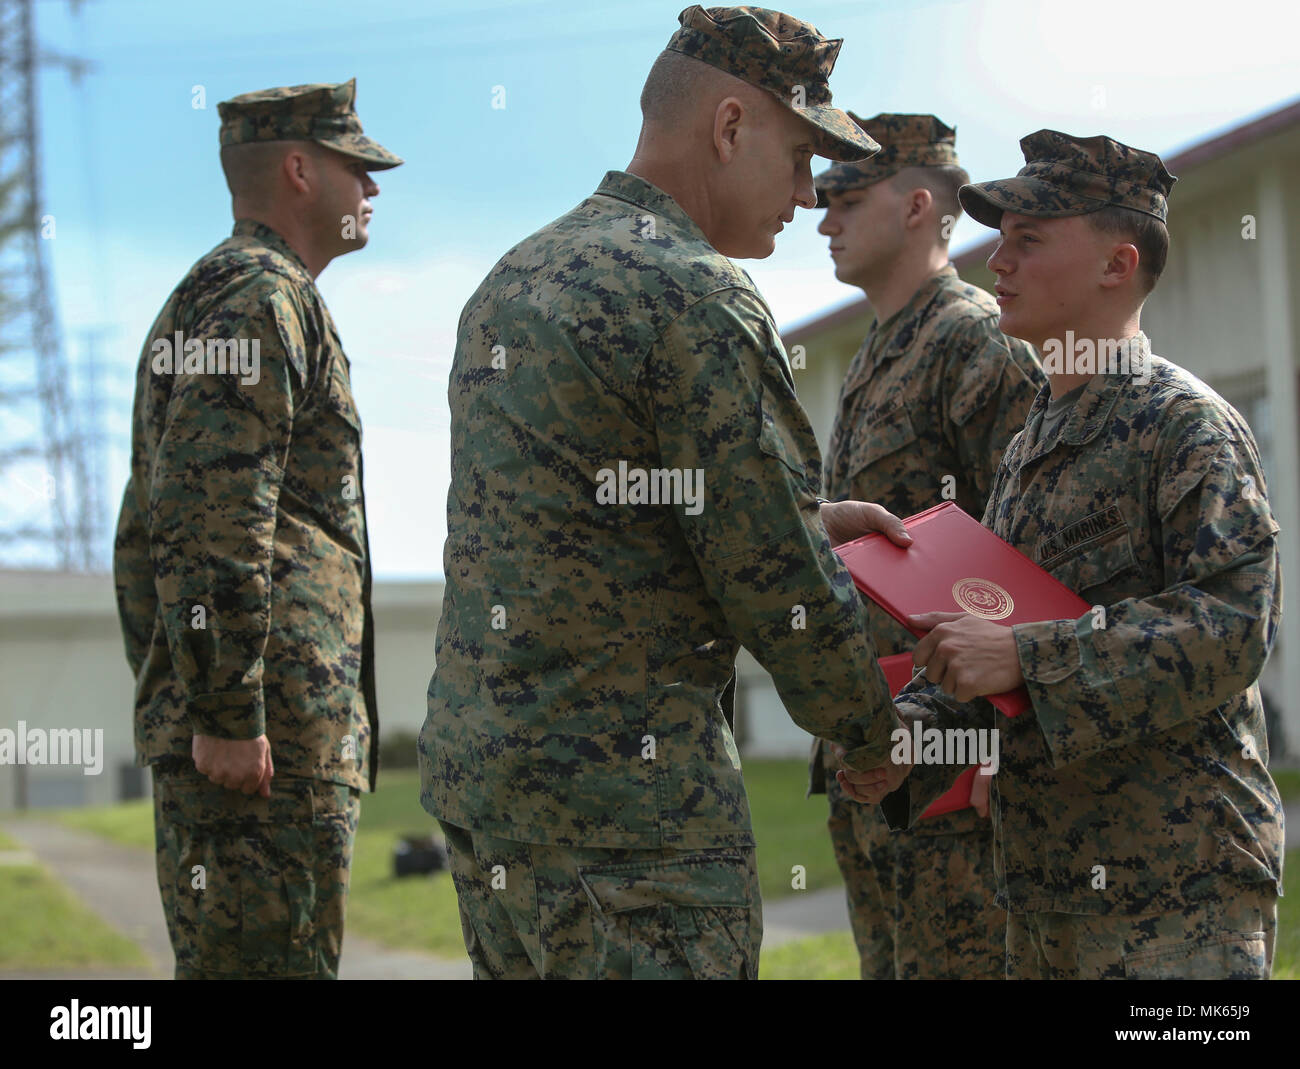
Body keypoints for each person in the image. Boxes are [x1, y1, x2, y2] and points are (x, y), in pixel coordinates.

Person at [420, 4, 908, 980]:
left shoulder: (511, 280)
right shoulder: (693, 291)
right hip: (632, 830)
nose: (811, 195)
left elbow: (588, 516)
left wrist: (801, 518)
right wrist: (868, 729)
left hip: (487, 799)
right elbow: (774, 582)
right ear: (729, 127)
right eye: (801, 156)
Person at [843, 130, 1285, 980]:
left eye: (1028, 238)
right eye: (998, 234)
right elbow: (994, 660)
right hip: (1043, 893)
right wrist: (916, 737)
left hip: (1174, 895)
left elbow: (1231, 628)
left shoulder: (1182, 424)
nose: (995, 258)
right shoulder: (1028, 449)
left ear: (1117, 264)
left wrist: (1024, 653)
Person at [113, 79, 401, 979]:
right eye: (359, 168)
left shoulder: (236, 296)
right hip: (264, 753)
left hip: (264, 740)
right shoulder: (256, 298)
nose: (374, 190)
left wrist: (189, 690)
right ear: (299, 170)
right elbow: (210, 515)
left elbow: (143, 540)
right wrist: (227, 708)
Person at [810, 112, 1044, 980]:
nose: (822, 216)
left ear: (916, 206)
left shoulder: (974, 338)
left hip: (955, 746)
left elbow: (1028, 550)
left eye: (844, 195)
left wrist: (996, 737)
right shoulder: (877, 351)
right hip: (881, 746)